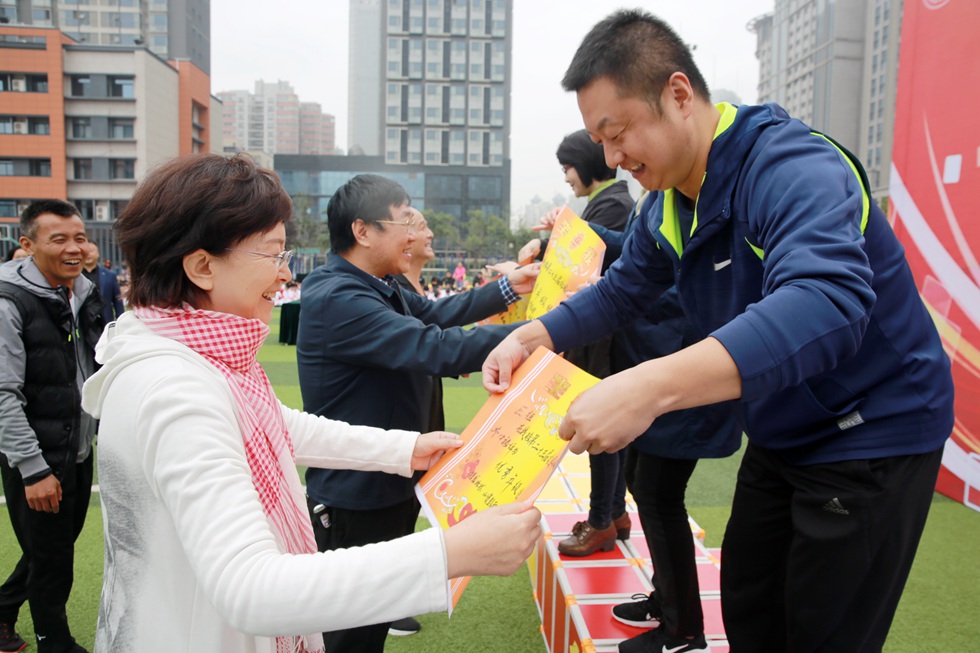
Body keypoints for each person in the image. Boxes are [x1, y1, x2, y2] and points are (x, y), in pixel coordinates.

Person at [483, 10, 954, 653]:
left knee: (824, 629)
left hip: (871, 428)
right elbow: (621, 291)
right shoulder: (667, 203)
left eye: (617, 133)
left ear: (679, 94)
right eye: (600, 142)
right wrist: (532, 335)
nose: (613, 158)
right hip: (783, 424)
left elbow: (827, 300)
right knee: (750, 603)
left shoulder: (790, 165)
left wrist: (646, 389)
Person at [78, 154, 541, 653]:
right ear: (203, 266)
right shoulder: (176, 390)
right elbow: (252, 588)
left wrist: (405, 449)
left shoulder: (193, 355)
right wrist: (447, 554)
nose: (284, 275)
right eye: (273, 255)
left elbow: (280, 425)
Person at [297, 174, 538, 653]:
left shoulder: (376, 285)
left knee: (371, 624)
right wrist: (546, 331)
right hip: (358, 495)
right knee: (348, 634)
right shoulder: (338, 297)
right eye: (404, 222)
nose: (414, 234)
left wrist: (508, 288)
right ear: (363, 231)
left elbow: (434, 315)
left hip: (392, 479)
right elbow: (434, 345)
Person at [520, 129, 633, 558]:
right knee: (609, 430)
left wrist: (559, 236)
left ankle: (601, 521)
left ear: (585, 164)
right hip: (602, 337)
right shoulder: (607, 203)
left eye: (568, 167)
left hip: (605, 340)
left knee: (601, 431)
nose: (567, 176)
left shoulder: (615, 204)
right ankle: (614, 513)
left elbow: (596, 266)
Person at [0, 199, 103, 653]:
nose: (73, 248)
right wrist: (32, 468)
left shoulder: (83, 291)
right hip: (38, 455)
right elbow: (3, 393)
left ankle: (3, 610)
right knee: (52, 561)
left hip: (76, 446)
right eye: (58, 239)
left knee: (53, 548)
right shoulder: (10, 301)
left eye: (79, 237)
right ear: (27, 245)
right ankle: (55, 642)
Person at [82, 242, 124, 324]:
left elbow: (118, 302)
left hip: (105, 322)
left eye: (91, 251)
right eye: (85, 251)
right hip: (82, 324)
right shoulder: (74, 277)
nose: (88, 254)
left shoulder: (110, 276)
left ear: (98, 254)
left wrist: (121, 323)